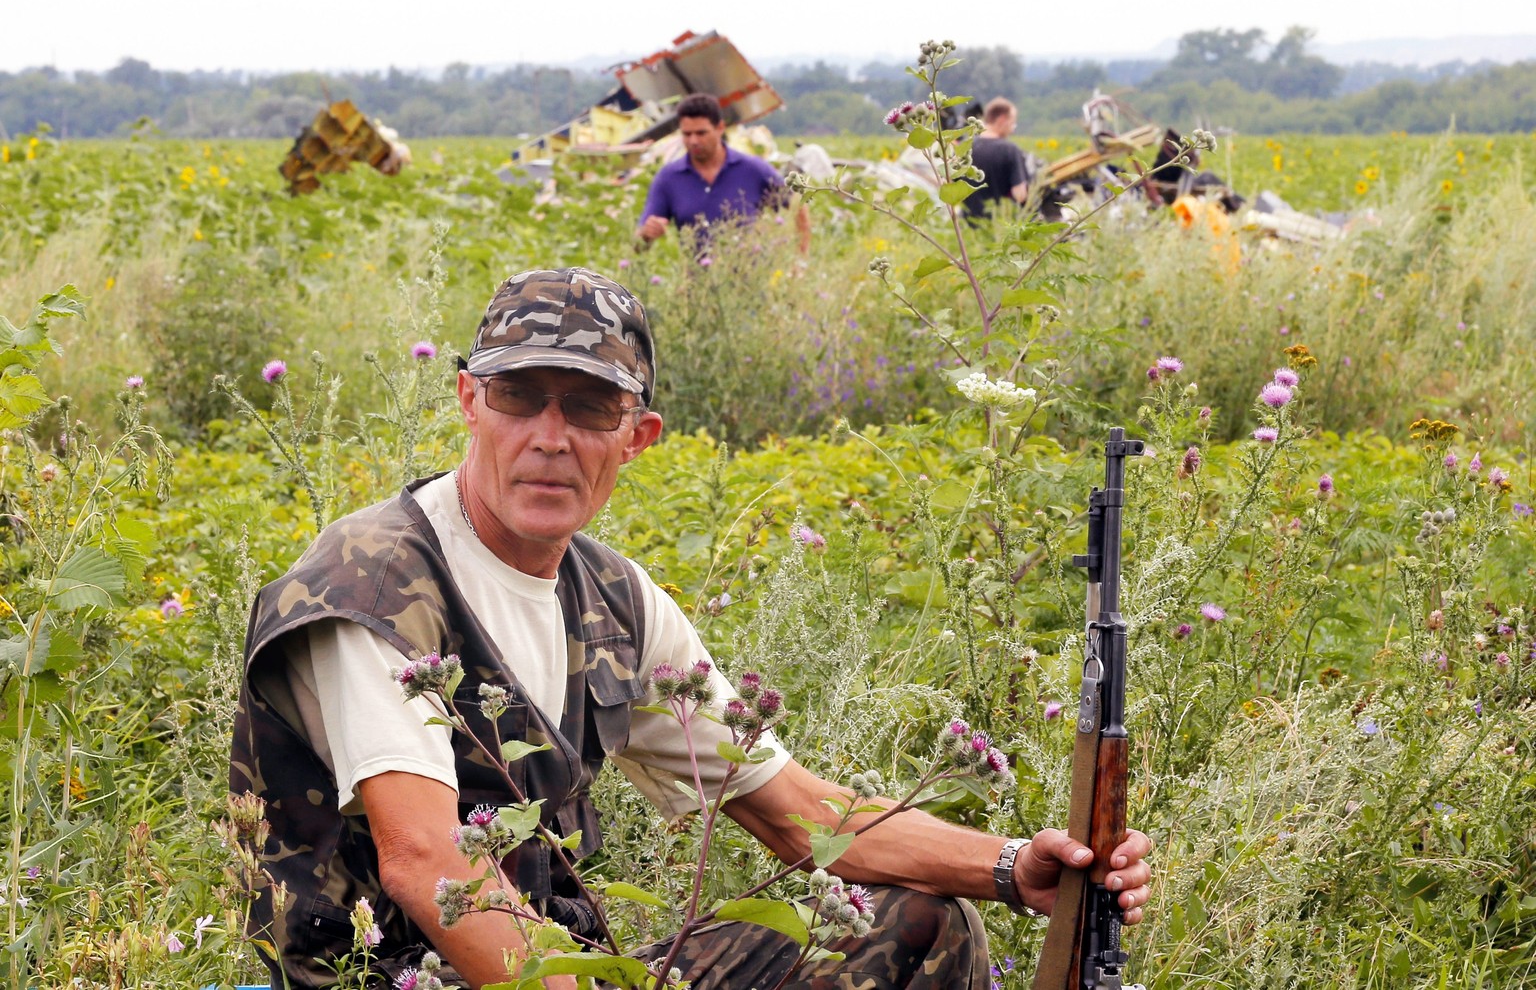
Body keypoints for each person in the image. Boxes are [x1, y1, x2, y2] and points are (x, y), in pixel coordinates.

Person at [230, 267, 1153, 989]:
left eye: (589, 407)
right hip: (398, 977)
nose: (551, 436)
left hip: (561, 969)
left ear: (639, 435)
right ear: (470, 400)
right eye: (521, 398)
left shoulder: (615, 600)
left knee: (920, 918)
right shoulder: (373, 581)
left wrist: (1011, 866)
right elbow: (427, 864)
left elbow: (798, 815)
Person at [636, 93, 810, 252]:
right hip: (696, 281)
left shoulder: (752, 169)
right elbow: (638, 246)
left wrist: (800, 260)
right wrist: (646, 234)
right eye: (687, 134)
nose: (693, 141)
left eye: (701, 133)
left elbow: (797, 206)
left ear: (720, 128)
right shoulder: (669, 178)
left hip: (752, 279)